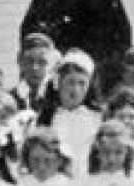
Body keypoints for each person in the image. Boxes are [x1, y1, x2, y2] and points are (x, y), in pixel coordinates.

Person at [38, 49, 101, 178]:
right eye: (71, 82)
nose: (76, 90)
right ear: (59, 83)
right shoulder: (46, 118)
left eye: (82, 83)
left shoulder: (97, 118)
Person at [9, 32, 57, 112]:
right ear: (19, 61)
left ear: (52, 64)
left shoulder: (58, 98)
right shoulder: (9, 99)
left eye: (42, 62)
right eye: (30, 61)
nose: (35, 68)